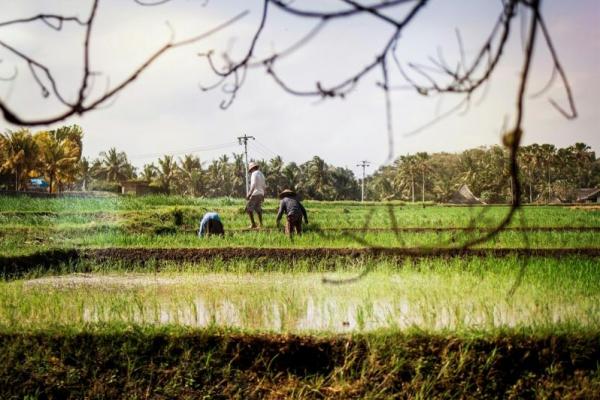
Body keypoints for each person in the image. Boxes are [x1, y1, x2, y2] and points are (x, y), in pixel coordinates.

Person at [246, 161, 266, 229]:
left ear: (252, 169)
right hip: (261, 193)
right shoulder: (262, 174)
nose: (251, 171)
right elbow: (264, 186)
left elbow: (253, 184)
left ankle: (253, 224)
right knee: (258, 209)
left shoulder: (254, 174)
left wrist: (249, 193)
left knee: (248, 208)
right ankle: (261, 224)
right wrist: (263, 196)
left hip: (255, 193)